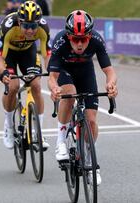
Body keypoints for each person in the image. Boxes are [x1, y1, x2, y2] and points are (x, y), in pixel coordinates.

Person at [47, 10, 118, 185]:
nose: (79, 44)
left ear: (90, 36)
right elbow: (52, 77)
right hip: (65, 71)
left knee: (91, 120)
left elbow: (110, 71)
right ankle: (61, 141)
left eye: (83, 39)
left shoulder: (96, 40)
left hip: (86, 73)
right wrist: (55, 88)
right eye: (75, 40)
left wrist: (111, 85)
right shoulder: (60, 41)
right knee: (69, 95)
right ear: (69, 37)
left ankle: (89, 159)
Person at [0, 1, 51, 149]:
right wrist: (3, 73)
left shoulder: (43, 28)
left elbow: (47, 55)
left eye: (33, 26)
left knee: (36, 85)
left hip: (28, 52)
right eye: (26, 26)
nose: (30, 31)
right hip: (9, 54)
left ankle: (38, 132)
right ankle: (9, 125)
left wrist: (52, 71)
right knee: (13, 86)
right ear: (19, 22)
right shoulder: (8, 26)